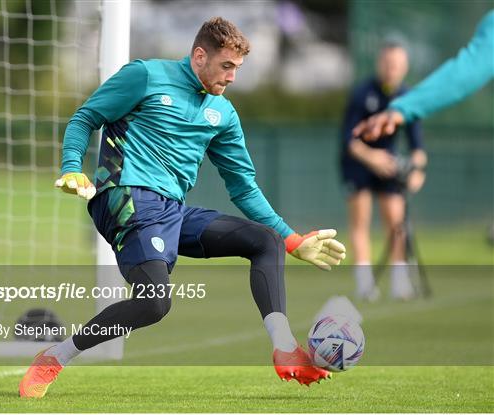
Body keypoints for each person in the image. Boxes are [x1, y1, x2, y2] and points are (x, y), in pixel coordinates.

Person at [19, 17, 346, 398]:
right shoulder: (145, 75)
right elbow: (85, 118)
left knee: (265, 241)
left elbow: (243, 188)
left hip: (170, 211)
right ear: (199, 55)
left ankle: (285, 346)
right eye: (227, 66)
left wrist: (292, 240)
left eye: (237, 69)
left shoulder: (223, 114)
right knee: (155, 303)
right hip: (126, 198)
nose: (232, 77)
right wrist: (72, 166)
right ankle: (54, 359)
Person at [341, 43, 427, 301]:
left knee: (397, 222)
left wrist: (416, 171)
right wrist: (372, 157)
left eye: (397, 65)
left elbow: (418, 148)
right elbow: (348, 140)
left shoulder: (407, 98)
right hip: (358, 164)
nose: (392, 70)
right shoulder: (362, 93)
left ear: (405, 67)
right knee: (361, 221)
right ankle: (365, 284)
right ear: (380, 64)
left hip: (390, 167)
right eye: (388, 64)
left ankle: (400, 283)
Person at [352, 10, 494, 141]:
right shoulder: (362, 92)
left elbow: (469, 70)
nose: (391, 69)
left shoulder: (403, 93)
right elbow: (469, 69)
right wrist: (404, 107)